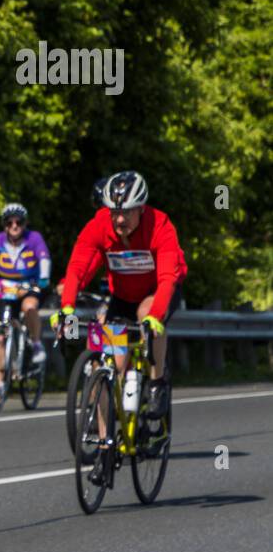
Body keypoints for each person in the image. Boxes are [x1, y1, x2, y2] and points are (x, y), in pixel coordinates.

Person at [52, 171, 187, 483]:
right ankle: (105, 446)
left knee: (146, 316)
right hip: (122, 294)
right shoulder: (100, 225)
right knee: (110, 360)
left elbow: (167, 278)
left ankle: (156, 384)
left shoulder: (161, 226)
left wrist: (155, 314)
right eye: (114, 212)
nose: (119, 220)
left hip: (158, 291)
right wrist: (67, 308)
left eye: (125, 212)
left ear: (141, 208)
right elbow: (77, 268)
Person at [0, 203, 51, 402]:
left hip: (28, 287)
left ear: (25, 224)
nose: (14, 226)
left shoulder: (34, 239)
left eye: (19, 222)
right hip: (5, 289)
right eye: (10, 223)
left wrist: (43, 278)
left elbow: (44, 259)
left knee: (29, 307)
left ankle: (36, 343)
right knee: (1, 335)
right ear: (5, 225)